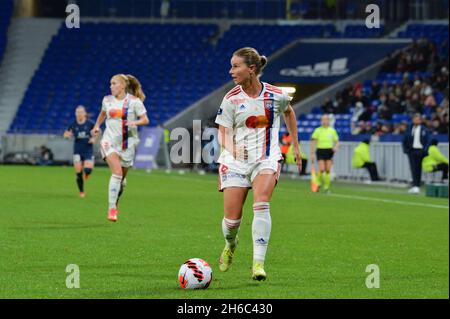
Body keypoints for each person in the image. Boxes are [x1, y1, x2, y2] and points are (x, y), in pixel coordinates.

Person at [215, 47, 302, 281]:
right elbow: (222, 132)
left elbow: (289, 112)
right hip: (235, 163)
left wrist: (295, 144)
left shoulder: (275, 95)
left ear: (251, 69)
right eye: (232, 65)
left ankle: (258, 264)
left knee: (261, 204)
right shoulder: (231, 98)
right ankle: (230, 244)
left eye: (236, 66)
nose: (231, 70)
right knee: (231, 222)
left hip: (266, 158)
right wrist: (233, 149)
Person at [91, 74, 149, 222]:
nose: (111, 86)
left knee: (121, 180)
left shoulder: (134, 102)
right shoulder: (107, 100)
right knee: (116, 173)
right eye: (110, 83)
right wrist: (97, 126)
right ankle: (111, 209)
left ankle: (116, 199)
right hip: (109, 142)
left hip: (128, 145)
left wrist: (134, 123)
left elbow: (145, 119)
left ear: (123, 86)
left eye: (114, 83)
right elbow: (102, 113)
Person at [63, 105, 96, 198]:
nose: (79, 114)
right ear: (75, 113)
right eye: (77, 112)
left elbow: (97, 131)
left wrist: (94, 138)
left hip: (88, 150)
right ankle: (81, 192)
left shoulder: (90, 124)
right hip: (77, 151)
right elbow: (66, 133)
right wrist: (67, 136)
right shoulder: (73, 124)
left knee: (87, 169)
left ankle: (87, 174)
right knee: (78, 172)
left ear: (85, 113)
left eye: (81, 112)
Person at [310, 114, 339, 193]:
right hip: (320, 150)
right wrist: (312, 153)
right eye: (323, 120)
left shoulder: (332, 130)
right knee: (322, 169)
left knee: (328, 170)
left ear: (328, 121)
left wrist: (336, 147)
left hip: (329, 151)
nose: (324, 121)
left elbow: (337, 141)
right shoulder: (318, 130)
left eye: (326, 119)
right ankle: (318, 183)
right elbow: (313, 142)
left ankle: (326, 187)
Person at [402, 113, 430, 194]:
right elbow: (405, 139)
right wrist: (406, 150)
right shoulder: (409, 129)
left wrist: (424, 150)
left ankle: (417, 185)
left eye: (418, 119)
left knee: (418, 168)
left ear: (420, 120)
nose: (416, 120)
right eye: (415, 119)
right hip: (412, 151)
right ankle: (415, 185)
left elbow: (428, 141)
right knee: (413, 168)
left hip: (420, 150)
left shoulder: (424, 129)